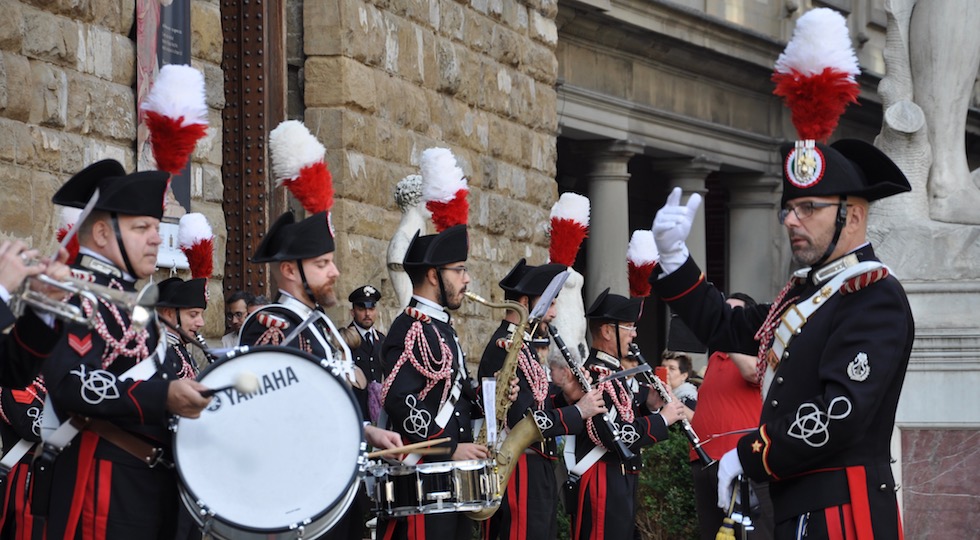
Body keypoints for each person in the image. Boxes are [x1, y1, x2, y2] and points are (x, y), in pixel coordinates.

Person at [649, 139, 914, 538]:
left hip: (843, 512)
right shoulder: (805, 293)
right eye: (789, 208)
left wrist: (751, 453)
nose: (792, 220)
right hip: (798, 502)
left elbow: (839, 413)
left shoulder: (872, 295)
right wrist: (674, 259)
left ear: (853, 216)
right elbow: (727, 326)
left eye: (809, 208)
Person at [38, 159, 213, 538]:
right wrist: (163, 395)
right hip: (104, 486)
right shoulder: (69, 294)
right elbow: (71, 384)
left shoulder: (131, 304)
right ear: (101, 233)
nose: (156, 237)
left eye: (155, 226)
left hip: (152, 485)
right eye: (141, 227)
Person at [477, 259, 607, 540]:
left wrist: (566, 398)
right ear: (525, 302)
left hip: (538, 463)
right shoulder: (504, 347)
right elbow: (521, 418)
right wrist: (579, 412)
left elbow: (538, 403)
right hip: (519, 465)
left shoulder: (524, 346)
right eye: (549, 304)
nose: (554, 313)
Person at [379, 224, 487, 540]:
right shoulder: (412, 328)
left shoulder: (440, 328)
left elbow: (454, 397)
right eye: (459, 270)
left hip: (449, 484)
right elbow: (400, 399)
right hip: (423, 485)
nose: (466, 279)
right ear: (432, 275)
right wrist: (450, 449)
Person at [564, 288, 686, 539]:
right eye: (629, 327)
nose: (635, 334)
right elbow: (614, 436)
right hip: (601, 480)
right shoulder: (594, 376)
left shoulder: (613, 374)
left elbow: (623, 419)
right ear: (607, 331)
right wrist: (662, 419)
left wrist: (649, 406)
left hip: (619, 479)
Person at [688, 293, 774, 540]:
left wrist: (725, 335)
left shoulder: (763, 351)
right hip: (706, 461)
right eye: (723, 313)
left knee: (753, 535)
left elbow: (753, 373)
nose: (726, 319)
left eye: (734, 314)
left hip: (743, 458)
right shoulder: (715, 357)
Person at [156, 277, 209, 380]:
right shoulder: (159, 352)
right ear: (169, 313)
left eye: (201, 315)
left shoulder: (179, 350)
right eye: (193, 315)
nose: (201, 323)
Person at [347, 285, 385, 423]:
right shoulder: (344, 340)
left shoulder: (381, 340)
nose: (367, 314)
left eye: (371, 308)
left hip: (379, 415)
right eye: (362, 309)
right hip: (355, 413)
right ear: (353, 312)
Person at [661, 350, 698, 414]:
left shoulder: (688, 398)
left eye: (672, 368)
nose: (666, 371)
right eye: (663, 367)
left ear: (684, 376)